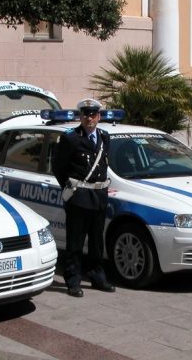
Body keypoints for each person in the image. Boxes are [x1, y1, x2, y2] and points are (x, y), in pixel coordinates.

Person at [52, 98, 114, 297]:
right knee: (75, 243)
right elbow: (58, 167)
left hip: (99, 196)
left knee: (97, 243)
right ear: (81, 116)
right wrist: (71, 188)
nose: (90, 118)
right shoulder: (71, 138)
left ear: (99, 116)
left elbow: (103, 165)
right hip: (79, 197)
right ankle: (73, 280)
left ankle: (97, 276)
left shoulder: (104, 137)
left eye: (93, 114)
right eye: (86, 114)